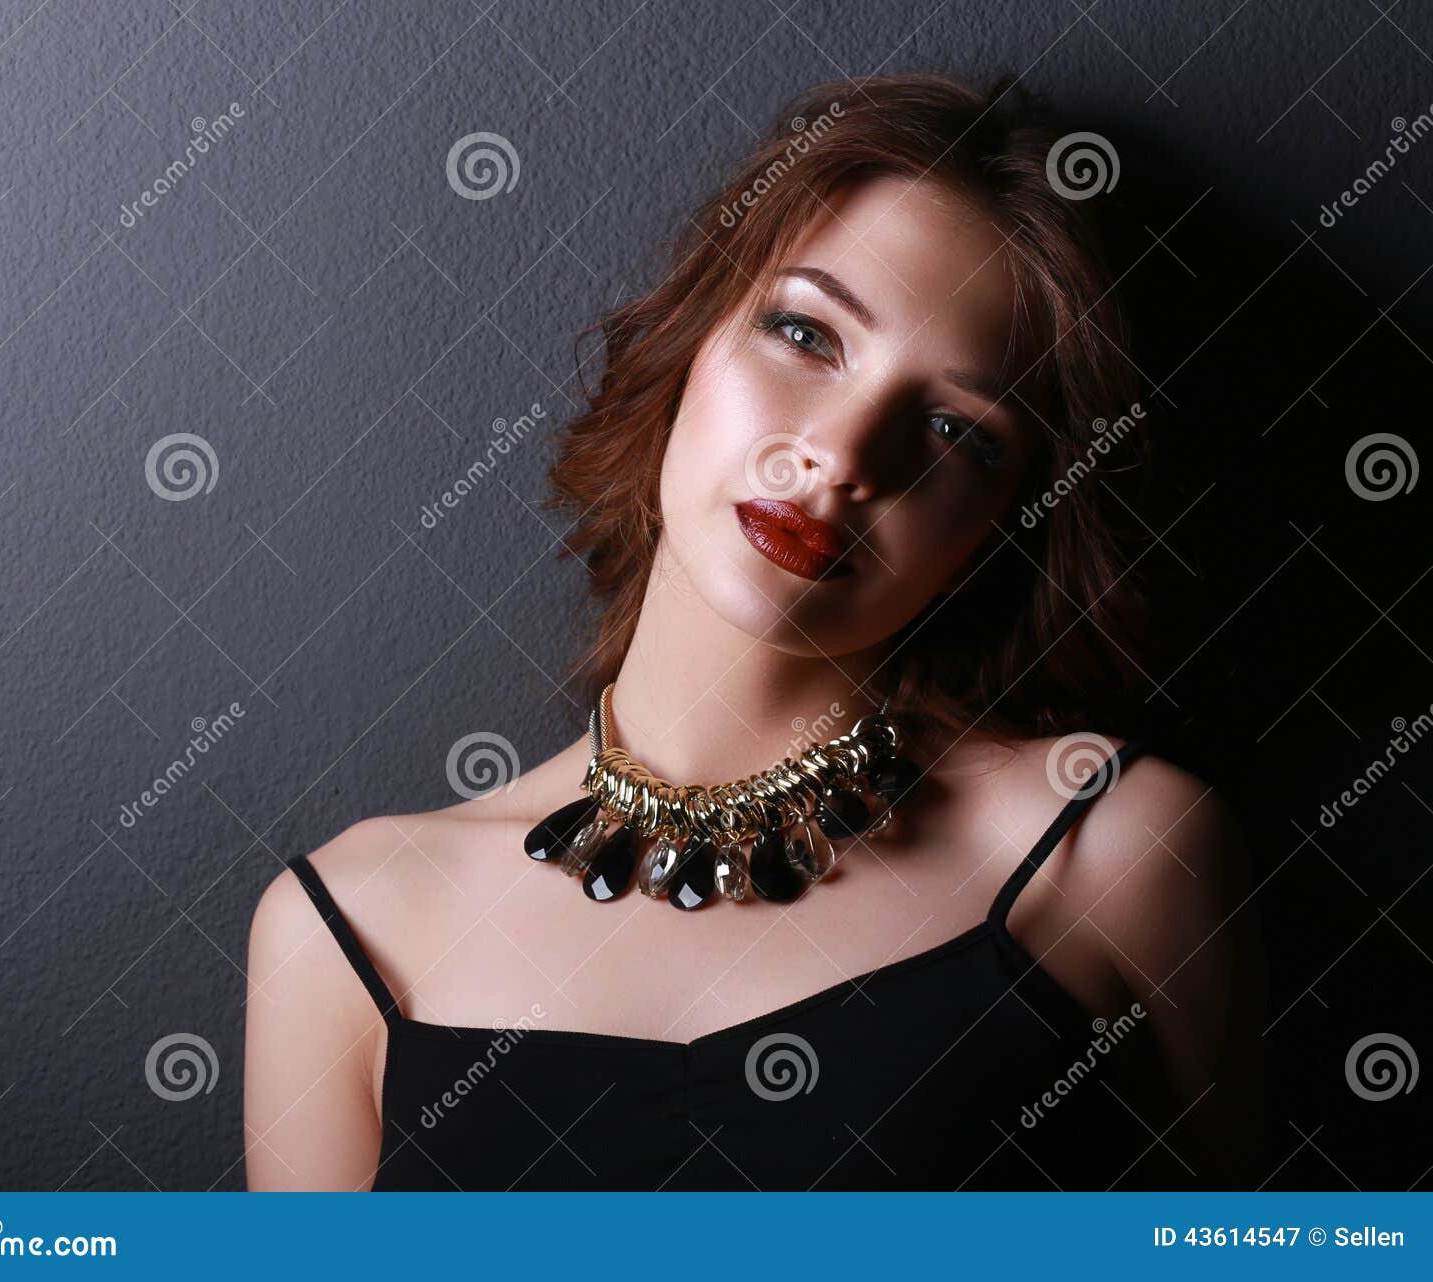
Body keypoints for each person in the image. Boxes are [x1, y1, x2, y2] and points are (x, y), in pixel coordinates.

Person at [244, 71, 1269, 1191]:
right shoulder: (347, 926)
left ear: (996, 530)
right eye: (804, 332)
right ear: (686, 345)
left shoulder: (1112, 853)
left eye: (952, 429)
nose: (837, 454)